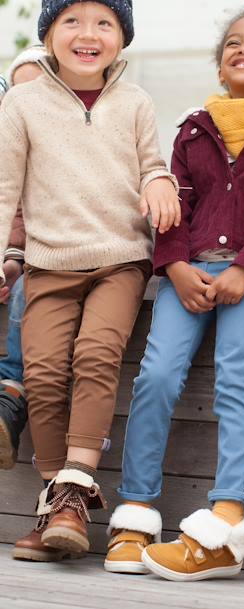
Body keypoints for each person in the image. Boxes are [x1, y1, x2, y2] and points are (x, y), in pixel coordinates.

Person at [105, 8, 244, 581]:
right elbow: (173, 201)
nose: (243, 48)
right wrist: (173, 266)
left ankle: (226, 513)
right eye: (232, 43)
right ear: (221, 64)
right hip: (187, 273)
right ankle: (136, 512)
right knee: (156, 376)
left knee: (235, 376)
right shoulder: (193, 129)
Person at [0, 0, 180, 562]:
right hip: (49, 262)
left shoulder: (135, 100)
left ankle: (75, 494)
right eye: (71, 22)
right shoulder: (22, 102)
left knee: (97, 355)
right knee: (46, 371)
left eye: (104, 23)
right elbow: (6, 187)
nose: (88, 35)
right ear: (49, 35)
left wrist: (160, 181)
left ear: (121, 38)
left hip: (121, 258)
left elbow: (151, 162)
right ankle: (57, 504)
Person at [0, 45, 47, 470]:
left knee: (28, 287)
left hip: (66, 258)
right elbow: (13, 208)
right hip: (26, 255)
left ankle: (10, 394)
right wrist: (7, 258)